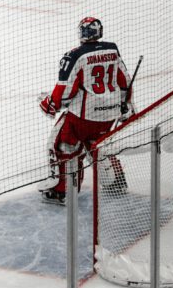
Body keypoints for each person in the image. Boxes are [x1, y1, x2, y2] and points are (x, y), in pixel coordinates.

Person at [39, 17, 131, 203]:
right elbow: (124, 82)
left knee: (62, 145)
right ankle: (115, 181)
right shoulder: (112, 49)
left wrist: (50, 104)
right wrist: (126, 105)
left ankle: (61, 191)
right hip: (110, 113)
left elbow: (65, 92)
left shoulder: (75, 56)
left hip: (83, 117)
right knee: (98, 143)